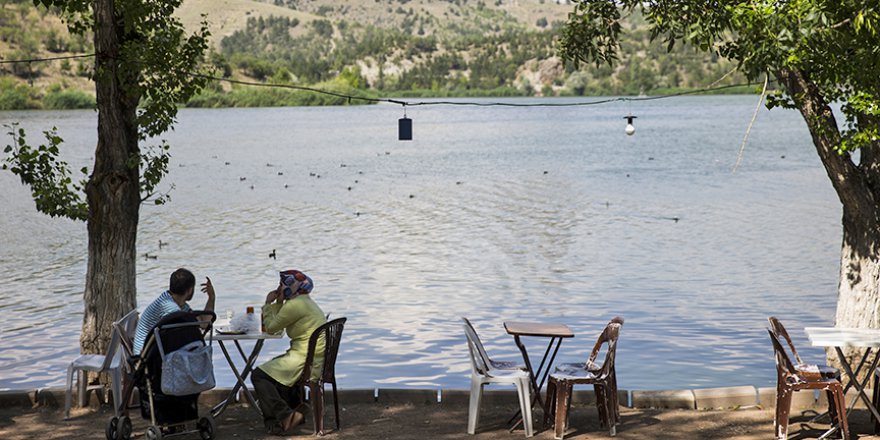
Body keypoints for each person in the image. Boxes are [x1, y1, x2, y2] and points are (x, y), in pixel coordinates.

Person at [252, 269, 327, 435]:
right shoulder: (304, 301)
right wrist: (279, 303)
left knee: (258, 375)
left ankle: (285, 416)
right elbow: (279, 322)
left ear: (290, 286)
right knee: (271, 371)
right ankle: (291, 411)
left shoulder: (294, 305)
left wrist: (267, 303)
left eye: (281, 284)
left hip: (305, 358)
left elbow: (271, 328)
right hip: (313, 356)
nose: (279, 287)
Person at [132, 268, 216, 356]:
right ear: (189, 290)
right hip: (147, 357)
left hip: (155, 351)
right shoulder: (169, 307)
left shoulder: (177, 303)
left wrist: (211, 297)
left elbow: (203, 323)